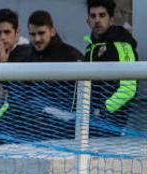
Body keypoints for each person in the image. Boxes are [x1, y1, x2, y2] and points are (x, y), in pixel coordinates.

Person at [22, 10, 83, 140]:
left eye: (41, 33)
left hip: (67, 132)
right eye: (33, 34)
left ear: (52, 31)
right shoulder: (28, 58)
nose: (37, 39)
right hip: (35, 132)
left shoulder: (71, 56)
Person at [84, 0, 139, 137]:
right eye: (93, 16)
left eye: (102, 15)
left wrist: (105, 109)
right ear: (88, 20)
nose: (97, 20)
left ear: (111, 20)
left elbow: (129, 88)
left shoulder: (122, 45)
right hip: (91, 119)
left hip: (113, 122)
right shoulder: (89, 48)